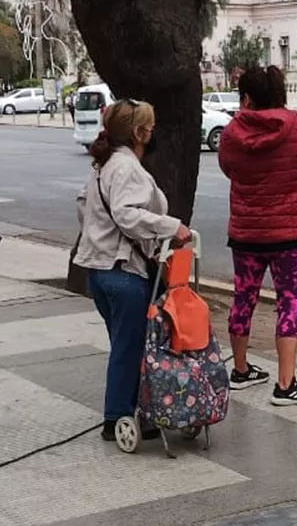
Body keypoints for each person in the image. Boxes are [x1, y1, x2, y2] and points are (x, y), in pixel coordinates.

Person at [74, 100, 192, 441]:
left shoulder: (104, 164)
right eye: (150, 128)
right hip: (123, 271)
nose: (153, 133)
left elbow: (84, 205)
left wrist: (99, 236)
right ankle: (117, 418)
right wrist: (171, 226)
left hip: (100, 268)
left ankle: (139, 410)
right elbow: (126, 214)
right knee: (130, 347)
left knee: (127, 344)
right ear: (140, 133)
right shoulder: (126, 168)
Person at [218, 66, 297, 406]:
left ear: (248, 96)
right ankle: (285, 385)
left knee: (243, 298)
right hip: (289, 237)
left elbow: (228, 168)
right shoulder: (294, 127)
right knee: (289, 303)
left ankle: (240, 371)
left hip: (246, 234)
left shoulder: (231, 133)